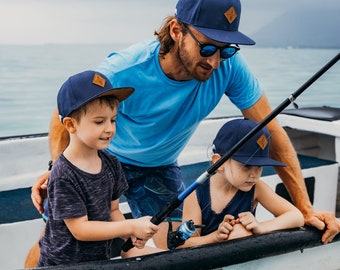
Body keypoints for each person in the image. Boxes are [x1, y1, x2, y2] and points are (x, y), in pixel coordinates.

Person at [31, 0, 339, 250]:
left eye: (227, 49)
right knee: (62, 239)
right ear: (177, 30)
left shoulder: (229, 68)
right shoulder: (127, 69)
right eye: (207, 48)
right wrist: (61, 167)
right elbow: (66, 113)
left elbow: (270, 129)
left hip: (160, 166)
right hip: (104, 161)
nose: (216, 61)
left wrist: (306, 209)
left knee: (180, 243)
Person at [36, 70, 160, 267]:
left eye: (113, 119)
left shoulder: (111, 163)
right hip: (61, 265)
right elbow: (80, 229)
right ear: (71, 125)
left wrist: (130, 234)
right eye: (99, 121)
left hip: (98, 262)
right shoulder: (63, 174)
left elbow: (113, 210)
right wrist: (131, 225)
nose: (109, 128)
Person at [179, 119, 304, 248]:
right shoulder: (195, 194)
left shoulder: (256, 188)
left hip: (244, 258)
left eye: (259, 167)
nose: (254, 175)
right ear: (219, 162)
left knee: (239, 231)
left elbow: (296, 216)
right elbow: (183, 243)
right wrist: (215, 237)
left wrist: (261, 227)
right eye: (247, 166)